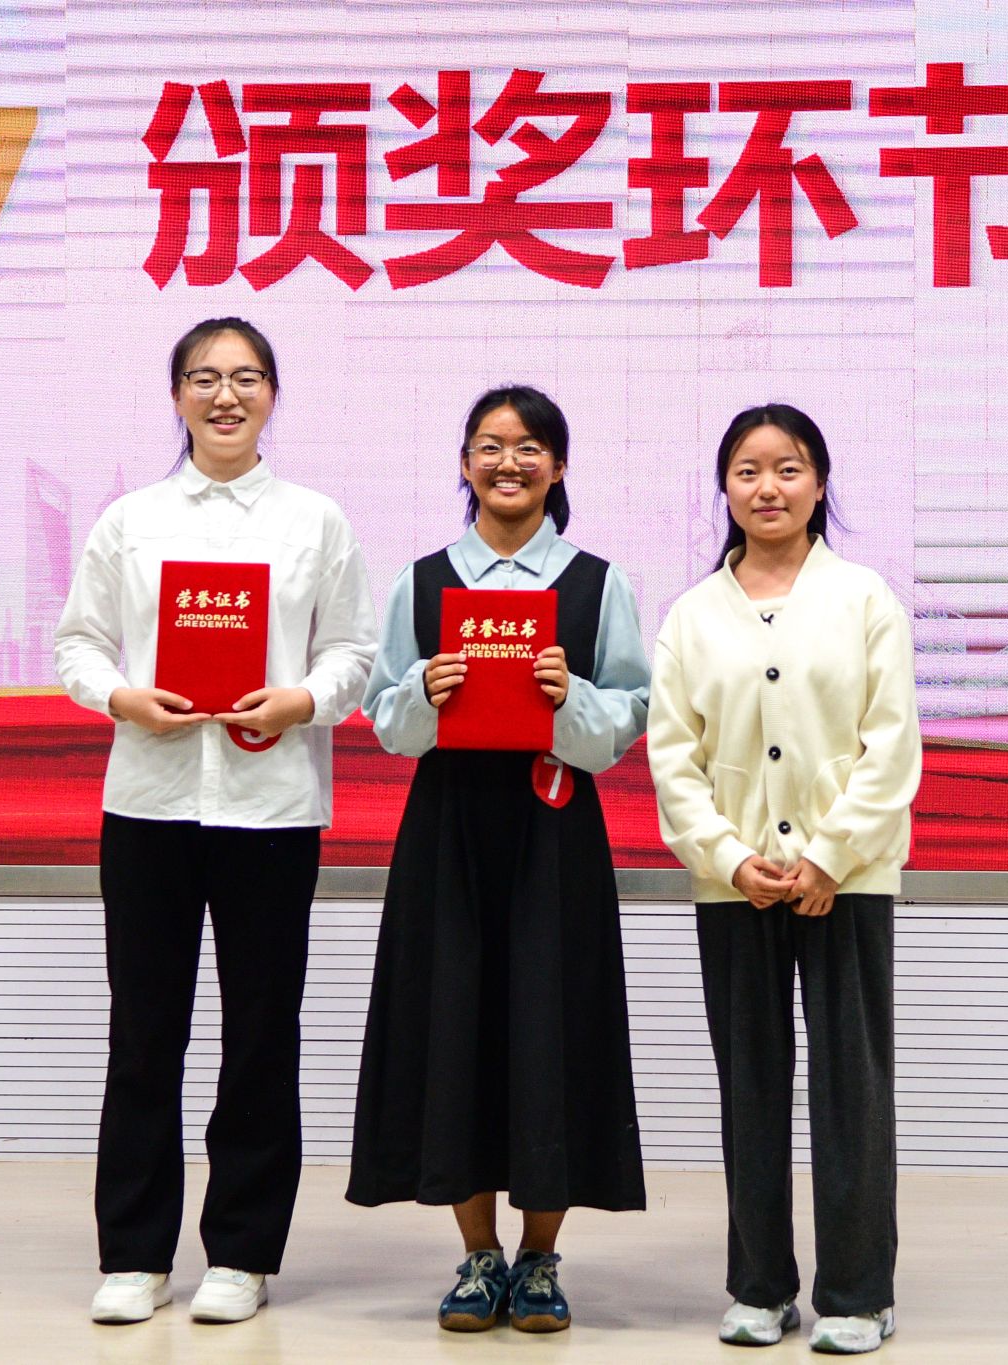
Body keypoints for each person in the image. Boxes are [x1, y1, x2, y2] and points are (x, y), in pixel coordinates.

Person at [54, 316, 378, 1327]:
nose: (224, 396)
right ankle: (134, 1254)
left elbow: (353, 651)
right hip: (149, 804)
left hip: (270, 810)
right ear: (176, 396)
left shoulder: (315, 520)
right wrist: (121, 696)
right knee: (144, 1033)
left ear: (272, 394)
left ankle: (242, 1250)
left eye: (244, 378)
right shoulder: (132, 520)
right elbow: (78, 642)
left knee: (260, 1034)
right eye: (203, 378)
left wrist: (302, 701)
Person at [345, 384, 650, 1334]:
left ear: (558, 468)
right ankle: (478, 1256)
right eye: (489, 444)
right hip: (450, 835)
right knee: (454, 1028)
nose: (507, 462)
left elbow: (630, 715)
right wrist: (425, 692)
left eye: (528, 447)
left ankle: (540, 1257)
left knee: (550, 1029)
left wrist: (572, 699)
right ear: (464, 464)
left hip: (554, 832)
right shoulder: (424, 582)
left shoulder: (597, 583)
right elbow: (385, 718)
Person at [647, 404, 921, 1355]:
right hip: (737, 886)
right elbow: (673, 758)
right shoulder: (692, 614)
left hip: (848, 879)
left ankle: (858, 1292)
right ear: (725, 488)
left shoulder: (865, 599)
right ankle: (760, 1285)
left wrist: (827, 856)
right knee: (751, 1088)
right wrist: (731, 858)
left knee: (852, 1088)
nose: (768, 487)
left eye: (789, 468)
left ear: (820, 483)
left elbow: (892, 744)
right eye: (748, 470)